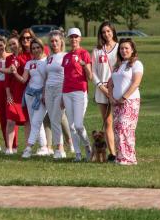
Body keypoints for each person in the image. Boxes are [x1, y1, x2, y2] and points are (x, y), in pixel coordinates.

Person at [107, 38, 143, 165]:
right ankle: (121, 157)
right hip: (116, 103)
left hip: (130, 101)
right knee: (117, 129)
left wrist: (124, 98)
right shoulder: (117, 66)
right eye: (121, 48)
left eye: (126, 48)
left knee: (125, 128)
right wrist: (111, 98)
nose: (124, 50)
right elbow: (110, 84)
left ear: (132, 50)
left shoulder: (136, 64)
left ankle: (129, 158)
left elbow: (135, 83)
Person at [11, 38, 49, 158]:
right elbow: (23, 79)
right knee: (35, 122)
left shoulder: (47, 61)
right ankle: (44, 147)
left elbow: (49, 79)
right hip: (29, 94)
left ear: (42, 47)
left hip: (42, 95)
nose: (36, 50)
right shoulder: (29, 63)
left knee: (37, 121)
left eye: (38, 47)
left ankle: (28, 148)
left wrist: (44, 93)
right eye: (33, 48)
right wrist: (15, 72)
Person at [62, 27, 93, 162]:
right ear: (69, 39)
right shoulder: (66, 57)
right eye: (71, 37)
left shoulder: (84, 53)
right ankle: (78, 154)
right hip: (67, 92)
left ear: (80, 38)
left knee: (79, 125)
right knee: (71, 126)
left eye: (76, 37)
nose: (73, 39)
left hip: (80, 91)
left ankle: (87, 147)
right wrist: (62, 95)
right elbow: (65, 76)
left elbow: (90, 76)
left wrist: (84, 65)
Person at [92, 21, 118, 162]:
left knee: (119, 122)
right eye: (103, 32)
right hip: (101, 90)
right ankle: (112, 154)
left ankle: (123, 151)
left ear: (113, 31)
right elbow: (93, 72)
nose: (106, 34)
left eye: (108, 31)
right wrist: (101, 87)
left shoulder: (120, 48)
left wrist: (112, 88)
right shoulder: (97, 50)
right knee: (107, 122)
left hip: (117, 90)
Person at [43, 31, 70, 159]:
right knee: (52, 118)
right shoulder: (49, 57)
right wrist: (44, 92)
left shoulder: (66, 56)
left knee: (56, 118)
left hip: (60, 88)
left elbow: (68, 76)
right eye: (52, 41)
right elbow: (46, 76)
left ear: (61, 42)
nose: (54, 43)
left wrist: (65, 93)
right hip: (49, 89)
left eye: (56, 41)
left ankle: (60, 149)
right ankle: (58, 147)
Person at [3, 34, 27, 155]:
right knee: (10, 121)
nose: (12, 46)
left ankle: (28, 148)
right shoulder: (8, 59)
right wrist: (8, 94)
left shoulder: (27, 56)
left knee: (27, 122)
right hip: (12, 93)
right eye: (10, 44)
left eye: (14, 43)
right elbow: (7, 78)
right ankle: (9, 148)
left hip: (25, 93)